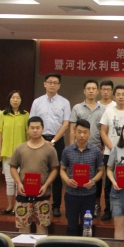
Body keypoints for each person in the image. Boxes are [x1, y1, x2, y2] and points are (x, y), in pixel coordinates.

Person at [30, 73, 71, 218]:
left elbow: (65, 124)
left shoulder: (64, 102)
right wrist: (41, 139)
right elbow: (32, 122)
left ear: (59, 86)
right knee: (38, 171)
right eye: (50, 82)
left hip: (57, 141)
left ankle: (56, 206)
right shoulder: (37, 102)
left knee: (57, 173)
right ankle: (36, 202)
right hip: (39, 140)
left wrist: (52, 141)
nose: (52, 85)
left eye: (55, 82)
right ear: (44, 84)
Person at [10, 117, 59, 235]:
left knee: (42, 227)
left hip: (43, 194)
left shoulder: (50, 149)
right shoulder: (20, 148)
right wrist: (19, 183)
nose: (35, 130)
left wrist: (46, 185)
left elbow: (55, 169)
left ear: (43, 129)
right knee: (23, 227)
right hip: (23, 193)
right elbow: (13, 167)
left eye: (38, 128)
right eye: (32, 128)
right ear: (28, 129)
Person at [69, 80, 108, 218]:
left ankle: (95, 204)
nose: (91, 91)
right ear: (84, 91)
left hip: (96, 148)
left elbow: (104, 130)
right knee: (77, 175)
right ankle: (76, 204)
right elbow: (72, 128)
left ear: (97, 91)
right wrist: (71, 147)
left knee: (96, 177)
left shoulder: (104, 109)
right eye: (88, 88)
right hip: (78, 148)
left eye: (93, 88)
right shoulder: (77, 108)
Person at [99, 85, 124, 221]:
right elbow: (103, 132)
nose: (121, 97)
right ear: (114, 97)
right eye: (118, 94)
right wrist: (113, 150)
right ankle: (108, 210)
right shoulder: (108, 111)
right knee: (109, 183)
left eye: (123, 94)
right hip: (110, 152)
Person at [60, 119, 105, 236]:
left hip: (89, 194)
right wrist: (67, 180)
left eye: (85, 132)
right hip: (71, 194)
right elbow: (62, 169)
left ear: (89, 133)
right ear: (74, 132)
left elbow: (101, 170)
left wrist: (93, 181)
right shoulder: (67, 150)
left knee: (87, 227)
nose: (82, 135)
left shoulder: (96, 151)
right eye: (79, 132)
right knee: (72, 226)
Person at [0, 90, 29, 215]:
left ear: (21, 100)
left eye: (18, 98)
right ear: (9, 100)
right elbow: (0, 133)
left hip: (21, 153)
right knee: (9, 181)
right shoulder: (3, 114)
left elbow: (27, 134)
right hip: (6, 152)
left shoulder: (25, 115)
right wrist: (0, 149)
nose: (15, 100)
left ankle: (17, 205)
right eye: (13, 97)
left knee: (19, 181)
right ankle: (10, 205)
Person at [94, 80, 117, 217]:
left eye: (108, 89)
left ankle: (113, 207)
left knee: (114, 179)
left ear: (112, 92)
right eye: (103, 89)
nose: (106, 91)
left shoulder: (115, 106)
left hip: (113, 149)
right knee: (99, 177)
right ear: (100, 91)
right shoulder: (95, 105)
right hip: (99, 147)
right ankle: (98, 205)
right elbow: (101, 130)